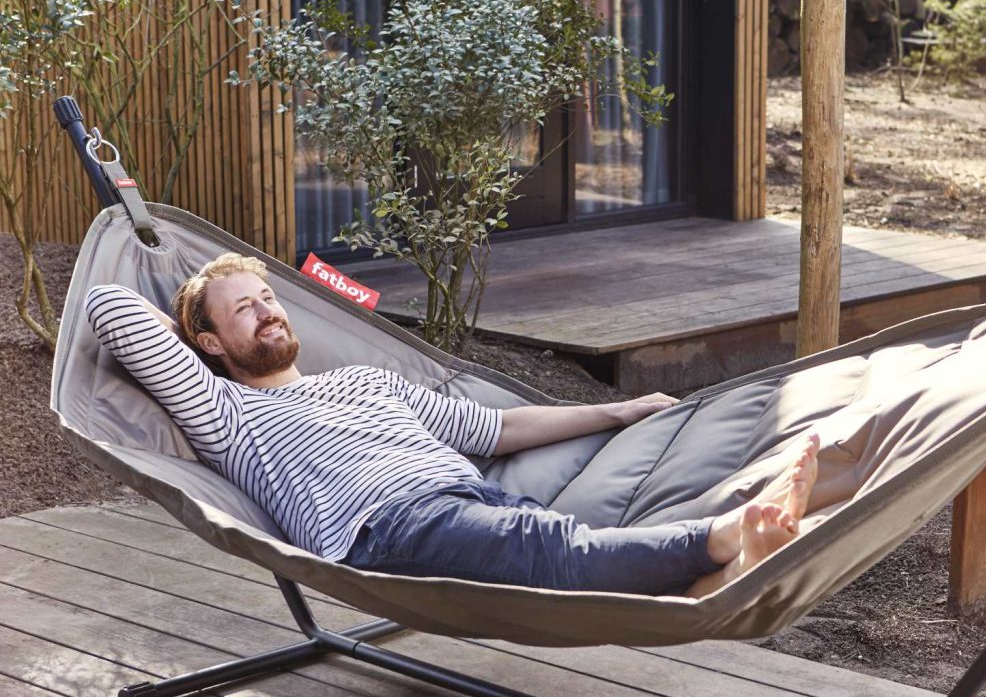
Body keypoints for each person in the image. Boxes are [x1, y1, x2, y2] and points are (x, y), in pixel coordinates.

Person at [86, 252, 819, 598]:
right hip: (381, 527)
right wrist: (190, 312)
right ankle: (729, 536)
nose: (268, 312)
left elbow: (493, 430)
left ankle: (713, 579)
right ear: (211, 344)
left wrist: (621, 409)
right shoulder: (229, 413)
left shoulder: (364, 381)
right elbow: (111, 305)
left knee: (560, 550)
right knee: (556, 550)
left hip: (467, 502)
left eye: (269, 299)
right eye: (243, 310)